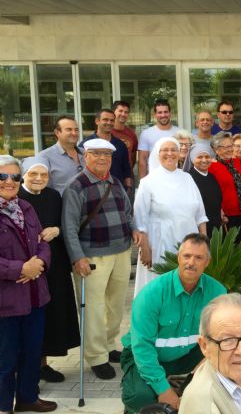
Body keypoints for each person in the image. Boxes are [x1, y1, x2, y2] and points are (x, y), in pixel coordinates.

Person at [121, 234, 227, 414]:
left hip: (188, 354)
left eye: (198, 257)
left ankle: (183, 387)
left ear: (207, 262)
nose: (191, 262)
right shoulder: (151, 294)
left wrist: (197, 373)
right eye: (186, 256)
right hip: (146, 354)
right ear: (178, 257)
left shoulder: (217, 292)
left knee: (222, 385)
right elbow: (142, 346)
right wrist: (163, 389)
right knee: (140, 396)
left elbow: (221, 336)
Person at [62, 138, 140, 380]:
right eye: (96, 154)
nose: (102, 159)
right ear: (86, 156)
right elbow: (69, 226)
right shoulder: (76, 186)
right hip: (92, 256)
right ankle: (96, 357)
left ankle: (107, 345)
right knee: (93, 309)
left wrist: (134, 228)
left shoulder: (115, 182)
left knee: (115, 306)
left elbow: (127, 212)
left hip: (121, 251)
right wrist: (77, 258)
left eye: (106, 155)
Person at [0, 155, 57, 414]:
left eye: (14, 176)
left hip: (35, 295)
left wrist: (39, 264)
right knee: (6, 358)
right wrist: (19, 269)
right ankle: (3, 406)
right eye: (3, 176)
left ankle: (27, 398)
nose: (9, 181)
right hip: (6, 300)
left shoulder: (26, 207)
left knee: (32, 351)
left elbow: (42, 240)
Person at [18, 158, 79, 384]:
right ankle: (27, 370)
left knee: (51, 315)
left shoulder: (54, 196)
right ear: (24, 174)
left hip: (54, 265)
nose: (39, 179)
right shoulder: (16, 197)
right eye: (34, 174)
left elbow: (69, 223)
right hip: (26, 266)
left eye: (43, 175)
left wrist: (57, 230)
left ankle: (43, 365)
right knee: (29, 316)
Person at [134, 137, 207, 296]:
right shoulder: (148, 182)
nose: (170, 153)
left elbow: (200, 215)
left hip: (188, 241)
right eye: (165, 150)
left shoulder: (187, 178)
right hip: (159, 243)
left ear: (179, 153)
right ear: (157, 154)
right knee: (159, 287)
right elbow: (140, 220)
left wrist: (205, 243)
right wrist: (144, 248)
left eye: (173, 149)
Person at [208, 132, 241, 238]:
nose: (230, 149)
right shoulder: (211, 167)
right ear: (216, 149)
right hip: (226, 216)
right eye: (226, 147)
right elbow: (211, 193)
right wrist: (219, 210)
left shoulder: (238, 162)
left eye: (231, 146)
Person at [80, 109, 133, 191]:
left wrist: (128, 187)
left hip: (117, 189)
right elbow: (80, 168)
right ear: (97, 121)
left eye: (112, 120)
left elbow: (126, 167)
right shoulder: (86, 144)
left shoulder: (121, 145)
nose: (109, 123)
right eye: (105, 119)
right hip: (92, 190)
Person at [36, 115, 84, 194]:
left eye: (76, 130)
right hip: (62, 205)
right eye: (69, 129)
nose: (74, 133)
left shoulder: (87, 154)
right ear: (57, 132)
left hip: (89, 204)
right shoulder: (44, 157)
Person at [186, 144, 223, 239]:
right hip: (198, 228)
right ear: (193, 159)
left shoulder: (212, 176)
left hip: (216, 225)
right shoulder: (188, 178)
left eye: (207, 157)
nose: (204, 160)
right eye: (199, 157)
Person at [138, 99, 180, 178]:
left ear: (170, 113)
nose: (163, 115)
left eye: (166, 112)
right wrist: (142, 181)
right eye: (160, 112)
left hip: (175, 176)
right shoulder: (146, 133)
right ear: (155, 114)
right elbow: (142, 159)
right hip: (154, 177)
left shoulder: (179, 132)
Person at [112, 100, 138, 179]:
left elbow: (133, 155)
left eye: (126, 112)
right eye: (120, 111)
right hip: (109, 175)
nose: (123, 114)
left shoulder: (131, 134)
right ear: (113, 112)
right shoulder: (107, 131)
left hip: (127, 176)